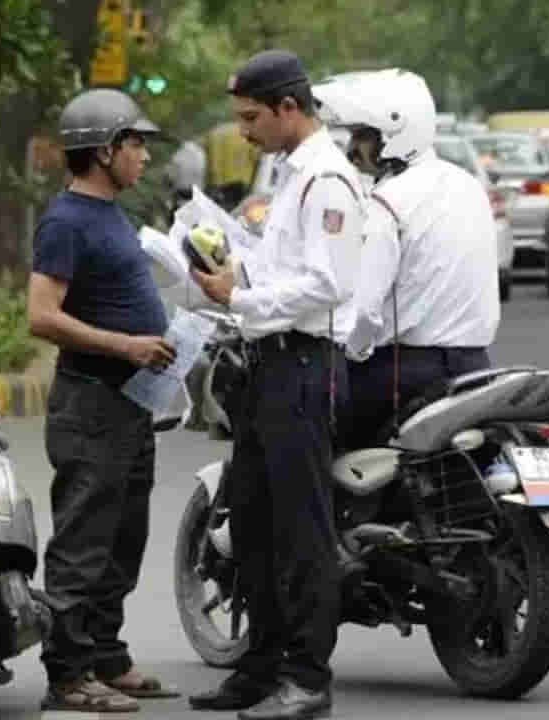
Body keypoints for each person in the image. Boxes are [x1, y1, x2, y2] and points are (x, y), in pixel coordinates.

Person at [188, 49, 365, 720]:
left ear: (289, 107)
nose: (244, 131)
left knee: (302, 531)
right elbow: (282, 266)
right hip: (267, 365)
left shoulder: (328, 180)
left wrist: (241, 298)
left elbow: (328, 284)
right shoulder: (291, 175)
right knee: (254, 525)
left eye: (251, 118)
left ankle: (308, 678)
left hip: (304, 367)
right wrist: (233, 269)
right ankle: (258, 669)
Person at [27, 87, 181, 713]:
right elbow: (41, 316)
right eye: (135, 143)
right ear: (103, 150)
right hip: (90, 404)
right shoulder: (65, 221)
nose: (144, 155)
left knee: (123, 540)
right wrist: (127, 346)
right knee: (83, 544)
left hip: (129, 405)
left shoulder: (111, 213)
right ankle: (67, 673)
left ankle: (106, 656)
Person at [312, 69, 500, 451]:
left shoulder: (389, 202)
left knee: (312, 434)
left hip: (403, 374)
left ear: (394, 134)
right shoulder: (468, 186)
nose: (352, 148)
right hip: (476, 367)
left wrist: (349, 352)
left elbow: (365, 310)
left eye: (362, 135)